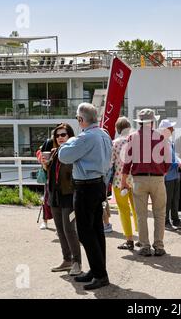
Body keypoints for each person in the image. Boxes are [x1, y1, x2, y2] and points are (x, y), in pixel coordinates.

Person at [58, 103, 112, 290]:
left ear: (81, 120)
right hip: (98, 184)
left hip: (85, 187)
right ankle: (98, 270)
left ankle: (100, 274)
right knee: (96, 230)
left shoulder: (86, 137)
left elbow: (64, 155)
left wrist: (69, 143)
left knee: (85, 231)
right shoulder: (104, 134)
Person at [121, 109, 171, 257]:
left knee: (141, 215)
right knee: (160, 213)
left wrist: (124, 181)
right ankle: (159, 245)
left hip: (139, 179)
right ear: (153, 121)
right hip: (157, 178)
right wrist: (163, 170)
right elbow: (168, 159)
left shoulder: (132, 137)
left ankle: (145, 246)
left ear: (140, 122)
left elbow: (126, 162)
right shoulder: (161, 136)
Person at [41, 123, 82, 276]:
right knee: (60, 230)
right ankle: (67, 260)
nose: (60, 138)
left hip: (69, 196)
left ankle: (77, 262)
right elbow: (50, 173)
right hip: (55, 195)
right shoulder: (54, 152)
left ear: (70, 135)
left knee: (69, 229)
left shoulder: (74, 152)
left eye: (63, 134)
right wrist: (46, 164)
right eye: (57, 135)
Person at [110, 117, 139, 250]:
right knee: (138, 209)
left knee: (124, 210)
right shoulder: (136, 142)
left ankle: (129, 239)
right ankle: (142, 237)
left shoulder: (115, 143)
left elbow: (110, 163)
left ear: (117, 129)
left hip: (118, 180)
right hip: (136, 180)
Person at [159, 119, 181, 231]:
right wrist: (177, 164)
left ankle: (175, 219)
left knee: (175, 199)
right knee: (167, 200)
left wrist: (179, 161)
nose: (173, 129)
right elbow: (164, 160)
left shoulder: (169, 142)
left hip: (175, 175)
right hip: (168, 176)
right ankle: (166, 222)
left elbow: (174, 156)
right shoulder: (160, 142)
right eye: (171, 128)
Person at [37, 137, 55, 230]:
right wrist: (45, 162)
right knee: (46, 201)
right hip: (50, 180)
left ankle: (45, 221)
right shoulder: (48, 145)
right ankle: (45, 221)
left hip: (57, 180)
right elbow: (44, 167)